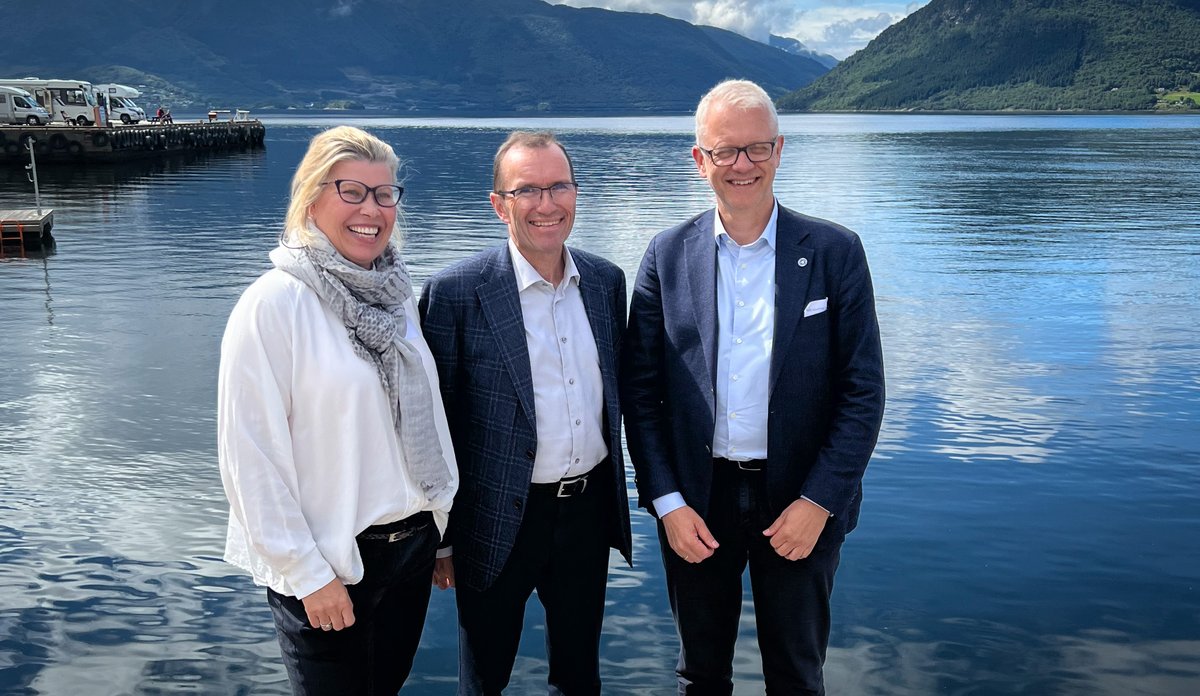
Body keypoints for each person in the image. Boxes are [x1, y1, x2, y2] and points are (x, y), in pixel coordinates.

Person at [621, 79, 886, 695]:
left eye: (756, 149)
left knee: (797, 675)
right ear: (699, 161)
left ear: (779, 150)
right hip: (697, 505)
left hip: (799, 502)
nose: (742, 165)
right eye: (725, 151)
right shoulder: (665, 255)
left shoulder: (834, 251)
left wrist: (819, 501)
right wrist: (667, 502)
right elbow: (641, 392)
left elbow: (863, 392)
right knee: (699, 676)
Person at [217, 125, 457, 695]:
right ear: (311, 198)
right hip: (332, 566)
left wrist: (441, 531)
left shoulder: (398, 298)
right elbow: (249, 459)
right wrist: (308, 577)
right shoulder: (273, 306)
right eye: (352, 191)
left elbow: (424, 421)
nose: (370, 209)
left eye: (384, 193)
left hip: (413, 549)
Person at [419, 130, 632, 695]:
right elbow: (430, 425)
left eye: (558, 186)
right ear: (499, 205)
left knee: (580, 674)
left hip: (586, 515)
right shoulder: (456, 293)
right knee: (485, 677)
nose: (546, 204)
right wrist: (441, 539)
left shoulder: (607, 283)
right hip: (493, 520)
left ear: (576, 195)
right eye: (527, 190)